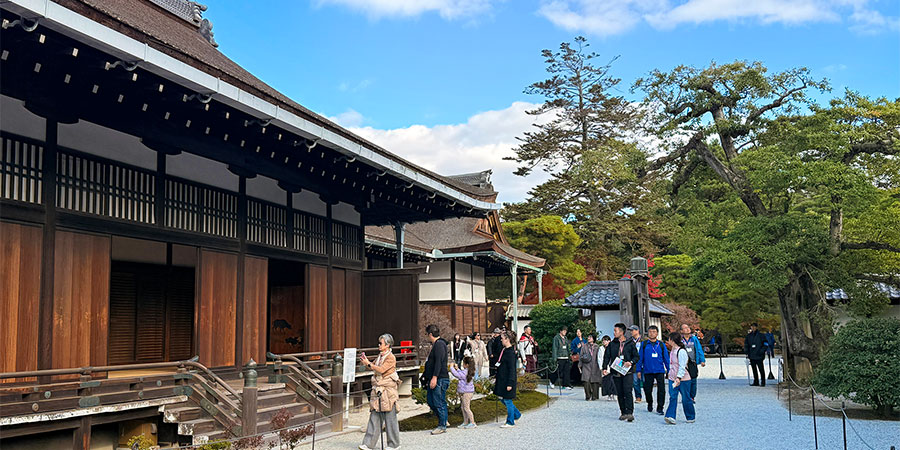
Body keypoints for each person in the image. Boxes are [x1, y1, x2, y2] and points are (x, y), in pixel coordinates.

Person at [359, 333, 402, 450]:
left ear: (387, 345)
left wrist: (369, 364)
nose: (379, 345)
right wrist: (366, 362)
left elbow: (382, 370)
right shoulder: (380, 356)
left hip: (388, 390)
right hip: (378, 389)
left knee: (390, 418)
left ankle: (394, 444)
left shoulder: (390, 357)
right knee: (375, 416)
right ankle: (368, 444)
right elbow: (373, 367)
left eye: (381, 343)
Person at [602, 323, 639, 421]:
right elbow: (607, 356)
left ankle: (630, 413)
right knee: (620, 392)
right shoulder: (612, 344)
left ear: (622, 332)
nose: (614, 333)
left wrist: (630, 362)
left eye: (616, 331)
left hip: (628, 372)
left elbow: (636, 357)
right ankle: (623, 412)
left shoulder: (630, 343)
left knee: (628, 391)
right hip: (616, 371)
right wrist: (604, 367)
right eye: (614, 331)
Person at [423, 324, 450, 435]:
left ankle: (442, 425)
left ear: (430, 334)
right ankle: (443, 419)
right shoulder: (437, 344)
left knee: (438, 401)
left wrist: (435, 377)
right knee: (431, 400)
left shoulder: (439, 344)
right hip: (435, 377)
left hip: (440, 378)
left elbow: (438, 362)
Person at [636, 325, 669, 415]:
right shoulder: (644, 344)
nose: (652, 333)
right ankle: (649, 403)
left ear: (657, 333)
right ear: (648, 333)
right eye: (650, 332)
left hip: (659, 370)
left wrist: (669, 370)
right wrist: (638, 370)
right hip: (648, 370)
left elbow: (666, 358)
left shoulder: (661, 344)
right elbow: (640, 358)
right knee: (647, 389)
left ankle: (660, 407)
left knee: (661, 389)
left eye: (654, 332)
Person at [664, 332, 696, 424]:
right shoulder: (672, 351)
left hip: (683, 378)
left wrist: (678, 378)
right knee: (673, 397)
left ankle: (690, 416)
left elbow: (682, 366)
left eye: (669, 339)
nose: (668, 341)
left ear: (673, 340)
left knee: (686, 398)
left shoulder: (681, 351)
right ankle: (670, 416)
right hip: (672, 377)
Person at [495, 330, 521, 428]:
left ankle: (510, 421)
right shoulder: (504, 350)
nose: (501, 340)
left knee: (507, 400)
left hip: (507, 380)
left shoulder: (510, 353)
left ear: (507, 339)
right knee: (503, 399)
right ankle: (517, 414)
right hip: (502, 378)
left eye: (502, 338)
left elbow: (512, 370)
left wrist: (510, 383)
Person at [680, 324, 706, 402]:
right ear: (681, 331)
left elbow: (699, 349)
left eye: (688, 327)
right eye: (685, 328)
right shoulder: (680, 340)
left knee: (693, 380)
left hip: (692, 362)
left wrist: (702, 360)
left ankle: (692, 396)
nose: (687, 329)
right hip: (683, 363)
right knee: (684, 380)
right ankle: (686, 396)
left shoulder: (694, 339)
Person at [450, 356, 477, 429]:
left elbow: (458, 375)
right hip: (464, 391)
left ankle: (472, 422)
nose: (463, 364)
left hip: (467, 392)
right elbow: (461, 373)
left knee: (466, 408)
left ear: (467, 364)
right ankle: (465, 422)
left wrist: (451, 368)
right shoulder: (467, 371)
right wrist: (457, 369)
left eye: (463, 363)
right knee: (463, 407)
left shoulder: (466, 372)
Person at [579, 333, 602, 400]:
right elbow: (581, 356)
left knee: (595, 381)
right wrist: (579, 365)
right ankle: (588, 395)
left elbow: (600, 357)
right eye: (588, 337)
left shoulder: (597, 347)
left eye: (590, 337)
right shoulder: (584, 346)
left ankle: (595, 396)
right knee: (586, 380)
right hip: (586, 365)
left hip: (595, 365)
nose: (589, 338)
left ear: (593, 339)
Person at [629, 325, 644, 403]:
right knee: (635, 381)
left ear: (637, 330)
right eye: (630, 331)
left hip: (645, 363)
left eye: (633, 330)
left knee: (646, 381)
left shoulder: (644, 340)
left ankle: (649, 396)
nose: (631, 332)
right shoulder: (630, 341)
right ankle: (638, 396)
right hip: (634, 363)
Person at [599, 335, 616, 401]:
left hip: (613, 367)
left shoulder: (613, 347)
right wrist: (602, 368)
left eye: (605, 340)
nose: (604, 342)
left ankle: (614, 394)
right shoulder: (601, 348)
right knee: (607, 382)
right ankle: (609, 394)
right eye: (603, 340)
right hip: (605, 367)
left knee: (613, 382)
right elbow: (599, 358)